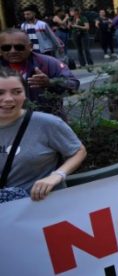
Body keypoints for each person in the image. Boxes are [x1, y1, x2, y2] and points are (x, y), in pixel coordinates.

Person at [0, 67, 86, 201]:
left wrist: (57, 175)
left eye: (17, 92)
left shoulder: (46, 123)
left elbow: (78, 151)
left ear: (25, 94)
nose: (9, 99)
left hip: (43, 207)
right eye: (0, 93)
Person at [0, 29, 80, 118]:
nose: (13, 51)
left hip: (46, 122)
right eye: (6, 48)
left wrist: (50, 83)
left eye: (19, 47)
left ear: (30, 46)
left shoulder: (48, 63)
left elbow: (74, 85)